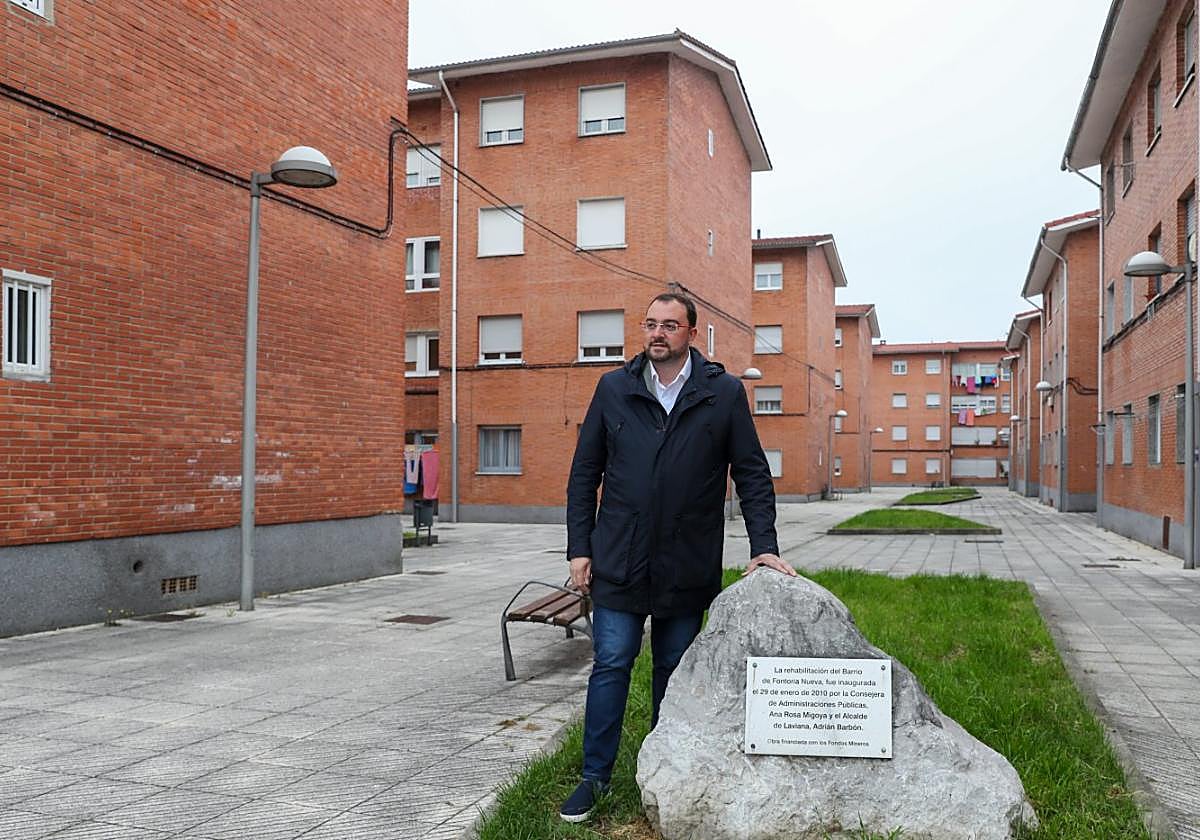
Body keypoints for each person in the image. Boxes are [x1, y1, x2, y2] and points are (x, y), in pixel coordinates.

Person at [560, 291, 796, 822]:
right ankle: (594, 778)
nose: (657, 333)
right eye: (650, 324)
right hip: (618, 558)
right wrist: (580, 547)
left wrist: (764, 549)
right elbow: (584, 474)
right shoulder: (614, 389)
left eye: (670, 325)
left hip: (686, 561)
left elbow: (753, 474)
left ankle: (663, 773)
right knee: (613, 663)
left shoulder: (723, 394)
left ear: (693, 332)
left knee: (673, 668)